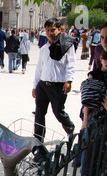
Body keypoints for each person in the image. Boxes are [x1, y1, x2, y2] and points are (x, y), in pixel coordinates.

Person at [32, 18, 76, 161]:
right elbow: (39, 68)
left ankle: (70, 129)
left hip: (58, 86)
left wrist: (69, 81)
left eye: (53, 30)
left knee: (58, 111)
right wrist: (35, 85)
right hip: (43, 86)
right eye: (47, 30)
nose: (50, 33)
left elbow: (71, 64)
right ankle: (38, 143)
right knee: (39, 113)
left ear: (59, 30)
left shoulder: (67, 46)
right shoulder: (44, 48)